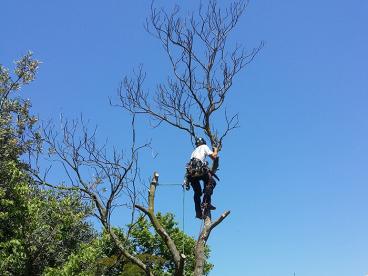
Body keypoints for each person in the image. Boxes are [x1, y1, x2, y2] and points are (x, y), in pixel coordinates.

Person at [183, 137, 218, 219]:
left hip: (191, 173)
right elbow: (213, 157)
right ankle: (206, 203)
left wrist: (186, 180)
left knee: (197, 193)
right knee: (211, 183)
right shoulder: (204, 147)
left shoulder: (194, 151)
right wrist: (215, 150)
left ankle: (198, 212)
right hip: (199, 170)